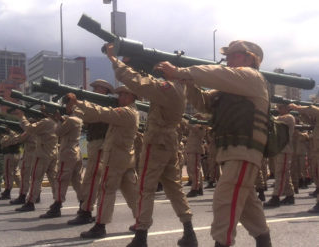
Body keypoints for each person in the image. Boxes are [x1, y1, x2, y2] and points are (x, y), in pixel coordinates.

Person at [154, 40, 271, 246]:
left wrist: (181, 71)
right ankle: (264, 241)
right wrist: (187, 81)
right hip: (230, 153)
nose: (228, 60)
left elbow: (218, 74)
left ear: (249, 58)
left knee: (225, 201)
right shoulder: (228, 89)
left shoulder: (252, 78)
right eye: (228, 56)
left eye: (234, 55)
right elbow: (203, 103)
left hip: (245, 151)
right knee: (247, 206)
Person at [106, 44, 198, 247]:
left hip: (156, 143)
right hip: (168, 143)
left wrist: (115, 61)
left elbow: (139, 83)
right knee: (174, 188)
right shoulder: (178, 89)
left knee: (145, 189)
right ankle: (189, 232)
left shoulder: (169, 89)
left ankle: (141, 236)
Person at [71, 86, 139, 239]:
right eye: (120, 93)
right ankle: (142, 221)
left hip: (115, 158)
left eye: (124, 94)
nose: (120, 96)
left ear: (133, 96)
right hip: (125, 158)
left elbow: (103, 113)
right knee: (131, 192)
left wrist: (79, 102)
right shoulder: (130, 111)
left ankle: (100, 226)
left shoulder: (126, 112)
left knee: (106, 190)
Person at [67, 79, 114, 225]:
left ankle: (86, 211)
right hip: (94, 143)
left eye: (97, 89)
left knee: (92, 178)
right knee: (90, 178)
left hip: (100, 143)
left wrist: (77, 106)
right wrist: (72, 108)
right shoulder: (95, 105)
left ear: (104, 90)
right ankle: (85, 209)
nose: (94, 91)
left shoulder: (107, 106)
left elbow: (88, 116)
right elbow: (84, 119)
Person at [39, 94, 84, 219]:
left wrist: (58, 120)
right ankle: (83, 204)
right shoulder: (77, 118)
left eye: (67, 104)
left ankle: (57, 205)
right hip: (76, 152)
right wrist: (53, 116)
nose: (65, 106)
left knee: (61, 179)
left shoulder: (71, 120)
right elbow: (62, 120)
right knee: (77, 180)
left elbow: (58, 132)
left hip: (67, 152)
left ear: (72, 104)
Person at [15, 109, 58, 212]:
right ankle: (58, 201)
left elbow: (29, 128)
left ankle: (30, 202)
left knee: (36, 179)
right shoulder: (56, 121)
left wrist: (22, 117)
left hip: (42, 154)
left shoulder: (46, 121)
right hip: (52, 153)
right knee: (54, 180)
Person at [288, 103, 319, 213]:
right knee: (315, 173)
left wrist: (297, 107)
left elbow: (311, 109)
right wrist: (300, 112)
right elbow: (309, 119)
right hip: (316, 151)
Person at [264, 104, 295, 207]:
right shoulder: (282, 117)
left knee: (280, 173)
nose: (279, 109)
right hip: (280, 149)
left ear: (287, 108)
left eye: (281, 107)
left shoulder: (289, 117)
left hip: (285, 149)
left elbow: (274, 120)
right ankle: (290, 196)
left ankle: (276, 197)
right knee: (284, 173)